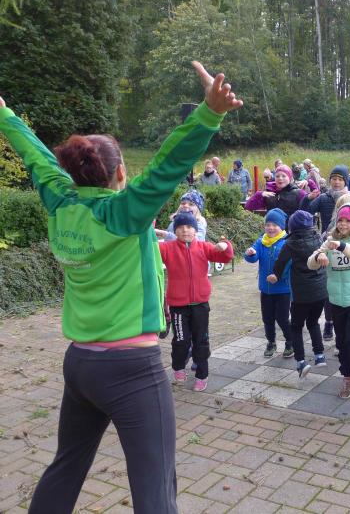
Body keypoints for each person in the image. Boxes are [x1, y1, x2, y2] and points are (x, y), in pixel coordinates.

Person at [0, 61, 242, 513]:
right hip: (132, 370)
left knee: (66, 467)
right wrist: (210, 112)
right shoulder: (124, 213)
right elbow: (168, 165)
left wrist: (5, 115)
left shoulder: (59, 202)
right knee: (155, 489)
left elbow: (36, 157)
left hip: (81, 366)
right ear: (120, 175)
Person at [159, 212, 234, 391]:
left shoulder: (203, 247)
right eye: (180, 227)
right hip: (178, 305)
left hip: (200, 304)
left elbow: (225, 257)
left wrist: (225, 245)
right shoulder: (167, 248)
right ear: (175, 231)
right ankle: (178, 367)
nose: (185, 230)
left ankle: (202, 374)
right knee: (181, 340)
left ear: (195, 230)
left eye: (189, 227)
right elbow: (148, 252)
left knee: (201, 341)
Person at [307, 203, 350, 399]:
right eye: (340, 220)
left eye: (348, 221)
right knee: (341, 341)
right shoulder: (329, 240)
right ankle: (346, 374)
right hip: (336, 298)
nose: (343, 224)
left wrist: (342, 246)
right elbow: (310, 263)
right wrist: (319, 256)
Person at [270, 210, 328, 377]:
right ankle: (319, 355)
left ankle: (301, 362)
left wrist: (275, 275)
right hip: (320, 292)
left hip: (301, 294)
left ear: (291, 227)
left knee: (296, 327)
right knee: (313, 322)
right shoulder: (318, 238)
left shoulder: (290, 243)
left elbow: (280, 263)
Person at [244, 209, 293, 358]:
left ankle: (290, 341)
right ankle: (271, 342)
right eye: (268, 224)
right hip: (266, 289)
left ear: (281, 226)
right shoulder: (261, 241)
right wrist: (250, 253)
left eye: (274, 225)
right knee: (267, 318)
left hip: (283, 289)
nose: (270, 228)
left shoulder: (287, 242)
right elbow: (252, 257)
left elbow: (290, 264)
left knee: (282, 318)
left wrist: (279, 276)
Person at [301, 164, 350, 232]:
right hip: (327, 236)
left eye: (340, 180)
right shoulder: (323, 198)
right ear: (330, 180)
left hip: (347, 236)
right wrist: (307, 198)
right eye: (334, 179)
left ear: (345, 182)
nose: (337, 182)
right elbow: (305, 213)